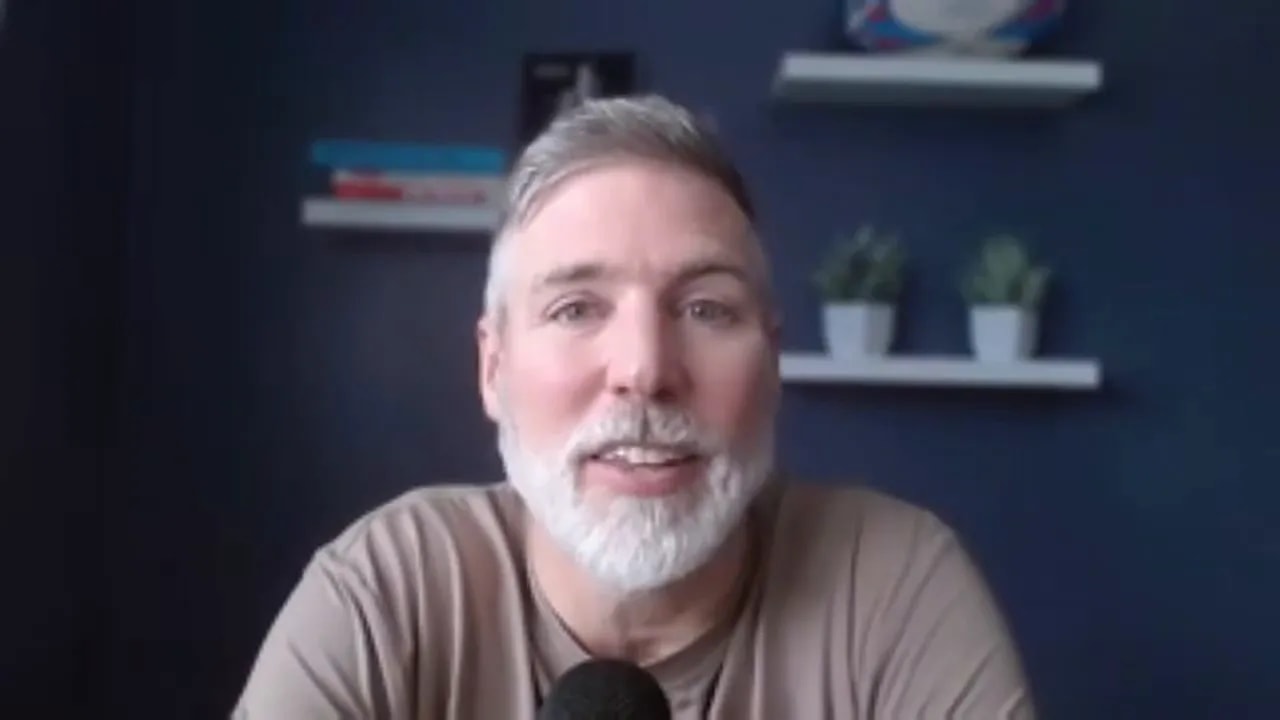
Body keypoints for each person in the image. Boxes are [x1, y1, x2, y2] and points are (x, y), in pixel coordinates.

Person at [233, 94, 1036, 719]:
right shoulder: (385, 591)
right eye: (577, 308)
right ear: (493, 367)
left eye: (706, 309)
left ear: (774, 362)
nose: (646, 370)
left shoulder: (895, 584)